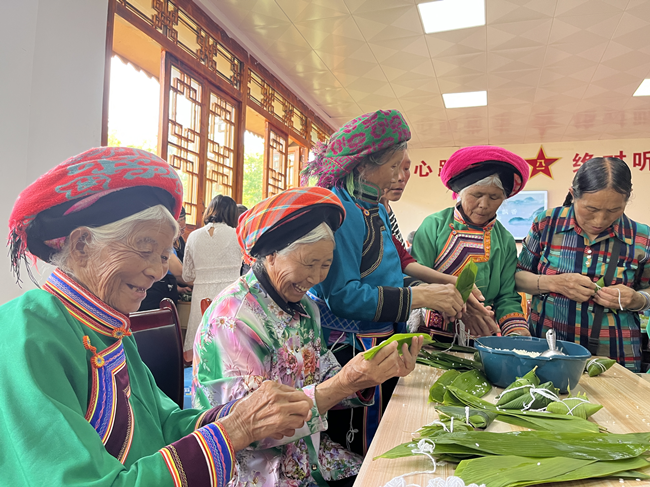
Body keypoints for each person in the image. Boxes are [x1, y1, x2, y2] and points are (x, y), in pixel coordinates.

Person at [1, 147, 314, 486]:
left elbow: (164, 425)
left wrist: (241, 417)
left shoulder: (111, 327)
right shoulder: (25, 332)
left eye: (164, 255)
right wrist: (234, 430)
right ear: (81, 246)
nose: (156, 270)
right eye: (145, 249)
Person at [192, 186, 423, 487]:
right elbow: (250, 430)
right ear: (271, 255)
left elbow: (325, 377)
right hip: (257, 472)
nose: (316, 278)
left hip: (311, 457)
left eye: (325, 265)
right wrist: (344, 383)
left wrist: (371, 374)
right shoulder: (235, 320)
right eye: (309, 263)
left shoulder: (305, 309)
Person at [301, 109, 464, 455]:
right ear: (363, 165)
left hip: (380, 334)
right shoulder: (343, 210)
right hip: (350, 347)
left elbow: (394, 266)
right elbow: (342, 296)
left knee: (381, 434)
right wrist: (419, 297)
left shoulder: (374, 207)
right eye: (394, 167)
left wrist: (440, 288)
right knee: (357, 443)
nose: (400, 175)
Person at [515, 157, 650, 372]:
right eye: (591, 208)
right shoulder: (547, 223)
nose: (600, 220)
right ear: (573, 193)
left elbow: (646, 292)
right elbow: (518, 277)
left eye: (614, 210)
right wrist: (555, 283)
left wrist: (637, 299)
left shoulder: (642, 237)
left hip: (616, 356)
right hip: (549, 348)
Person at [412, 145, 532, 340]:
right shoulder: (434, 226)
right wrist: (459, 308)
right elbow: (416, 280)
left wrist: (516, 331)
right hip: (433, 332)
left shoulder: (505, 240)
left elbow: (506, 295)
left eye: (494, 197)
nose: (484, 205)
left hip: (482, 333)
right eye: (476, 195)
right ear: (460, 193)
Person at [182, 194, 242, 362]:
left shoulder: (193, 236)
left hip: (201, 295)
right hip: (230, 296)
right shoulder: (237, 235)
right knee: (229, 352)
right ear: (232, 214)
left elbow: (187, 275)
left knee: (202, 350)